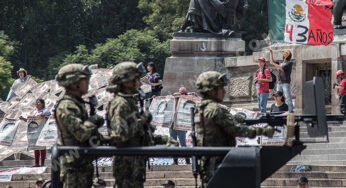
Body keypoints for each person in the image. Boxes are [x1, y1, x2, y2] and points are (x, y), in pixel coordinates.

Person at [195, 71, 275, 187]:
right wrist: (263, 131)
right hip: (218, 163)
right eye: (221, 88)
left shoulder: (202, 108)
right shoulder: (215, 109)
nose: (224, 91)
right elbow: (235, 130)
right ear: (211, 91)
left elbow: (220, 125)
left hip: (210, 162)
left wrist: (234, 118)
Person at [106, 62, 178, 188]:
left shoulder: (130, 102)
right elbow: (120, 135)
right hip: (126, 167)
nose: (139, 83)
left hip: (135, 165)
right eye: (137, 79)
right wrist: (142, 121)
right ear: (126, 82)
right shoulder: (121, 104)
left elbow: (139, 134)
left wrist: (164, 140)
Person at [55, 64, 105, 188]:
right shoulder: (67, 106)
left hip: (81, 166)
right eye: (85, 80)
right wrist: (94, 120)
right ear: (74, 83)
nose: (87, 83)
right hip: (73, 169)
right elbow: (81, 133)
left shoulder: (77, 103)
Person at [20, 99, 51, 167]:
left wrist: (44, 116)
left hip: (42, 130)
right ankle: (36, 163)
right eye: (36, 103)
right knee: (36, 147)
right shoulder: (34, 112)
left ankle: (42, 163)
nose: (37, 104)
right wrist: (23, 119)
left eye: (38, 103)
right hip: (34, 131)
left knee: (42, 147)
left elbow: (49, 118)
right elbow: (30, 121)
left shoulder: (45, 111)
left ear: (42, 104)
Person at [170, 92, 190, 165]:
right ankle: (175, 161)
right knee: (174, 144)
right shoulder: (170, 107)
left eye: (178, 98)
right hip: (172, 127)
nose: (176, 100)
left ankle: (187, 161)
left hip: (181, 127)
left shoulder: (183, 106)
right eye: (175, 98)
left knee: (183, 144)